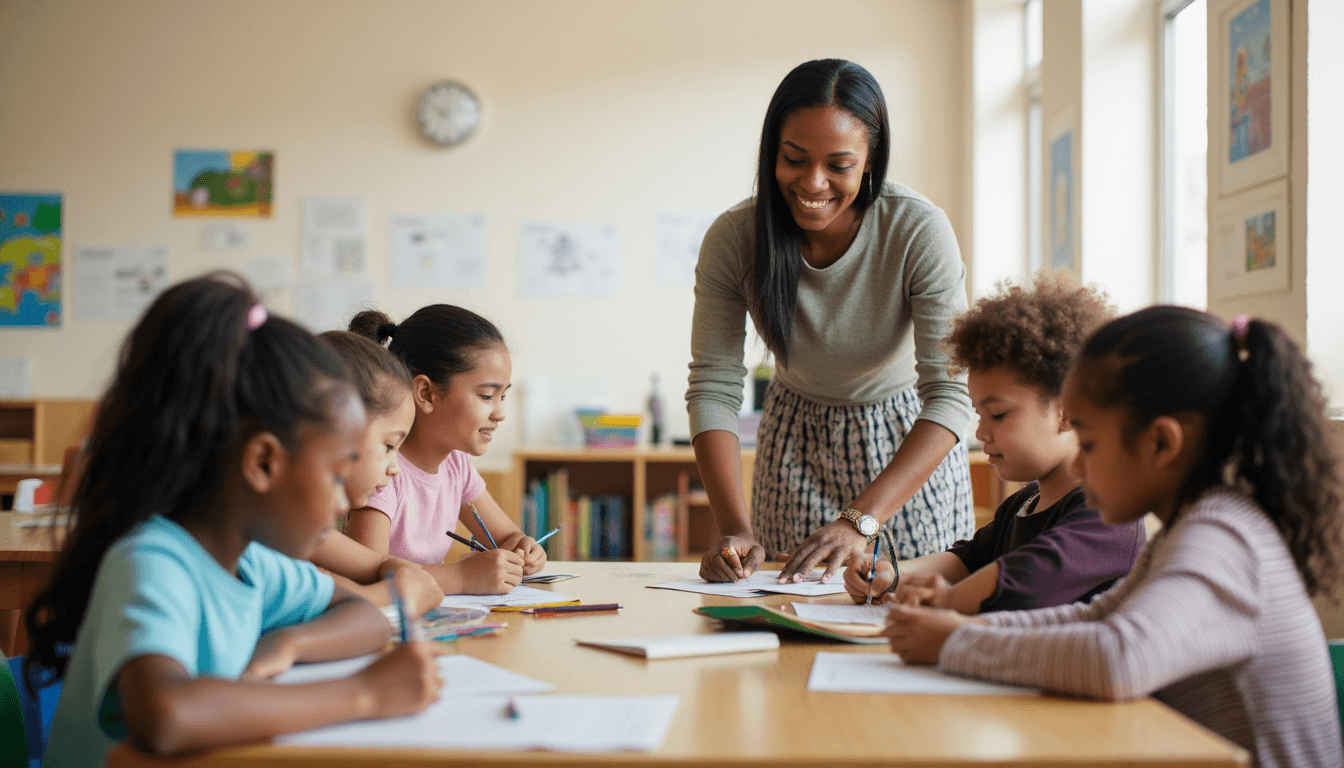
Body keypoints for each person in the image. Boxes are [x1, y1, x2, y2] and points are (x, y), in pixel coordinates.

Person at [884, 307, 1344, 768]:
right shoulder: (1194, 528)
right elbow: (1097, 617)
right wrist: (963, 629)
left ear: (1161, 444)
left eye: (1088, 445)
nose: (1078, 468)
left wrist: (955, 643)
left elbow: (1118, 656)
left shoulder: (1222, 539)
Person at [25, 275, 446, 766]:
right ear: (264, 462)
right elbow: (166, 714)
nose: (339, 506)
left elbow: (367, 617)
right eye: (335, 474)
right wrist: (364, 693)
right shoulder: (153, 560)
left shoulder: (251, 565)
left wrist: (289, 642)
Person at [690, 58, 973, 584]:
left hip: (906, 443)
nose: (813, 182)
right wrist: (736, 528)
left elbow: (951, 394)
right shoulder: (734, 238)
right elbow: (713, 387)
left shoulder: (918, 229)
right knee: (790, 609)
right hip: (795, 440)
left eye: (839, 165)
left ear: (870, 162)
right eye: (793, 158)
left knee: (908, 609)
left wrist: (861, 519)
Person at [843, 274, 1144, 612]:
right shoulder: (1025, 501)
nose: (982, 433)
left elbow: (1024, 583)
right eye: (979, 415)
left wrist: (939, 597)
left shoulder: (1109, 516)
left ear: (1065, 409)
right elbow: (969, 561)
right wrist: (892, 574)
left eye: (998, 415)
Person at [345, 306, 546, 594]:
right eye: (487, 396)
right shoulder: (381, 473)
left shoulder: (456, 465)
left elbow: (506, 537)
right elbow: (366, 574)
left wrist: (523, 550)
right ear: (426, 393)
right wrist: (460, 577)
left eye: (503, 396)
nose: (499, 412)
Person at [307, 330, 445, 618]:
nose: (395, 468)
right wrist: (392, 594)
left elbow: (378, 565)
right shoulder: (273, 529)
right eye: (390, 445)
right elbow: (345, 600)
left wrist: (391, 575)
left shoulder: (312, 531)